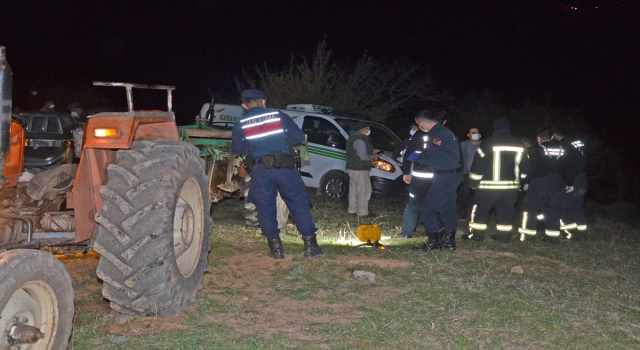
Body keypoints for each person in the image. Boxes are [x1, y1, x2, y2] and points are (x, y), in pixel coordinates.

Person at [231, 89, 323, 259]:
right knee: (298, 204)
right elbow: (297, 137)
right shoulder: (277, 115)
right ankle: (311, 246)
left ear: (244, 105)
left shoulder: (242, 123)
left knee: (265, 207)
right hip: (285, 169)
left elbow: (237, 149)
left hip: (260, 172)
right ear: (264, 102)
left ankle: (276, 249)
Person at [462, 118, 529, 243]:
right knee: (506, 212)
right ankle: (504, 237)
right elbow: (525, 168)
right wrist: (520, 182)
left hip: (488, 187)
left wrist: (473, 183)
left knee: (480, 211)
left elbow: (478, 164)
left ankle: (477, 236)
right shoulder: (519, 144)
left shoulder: (488, 143)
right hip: (510, 188)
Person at [412, 109, 462, 251]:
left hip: (445, 176)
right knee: (448, 209)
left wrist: (415, 157)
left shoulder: (437, 135)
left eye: (419, 125)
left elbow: (434, 158)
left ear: (422, 123)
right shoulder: (445, 132)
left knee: (427, 210)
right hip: (452, 176)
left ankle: (433, 242)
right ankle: (449, 242)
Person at [518, 129, 565, 243]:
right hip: (558, 184)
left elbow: (530, 168)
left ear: (539, 138)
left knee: (530, 209)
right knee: (552, 211)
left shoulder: (535, 150)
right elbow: (567, 167)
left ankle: (528, 237)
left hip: (540, 183)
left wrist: (523, 183)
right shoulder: (562, 149)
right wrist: (568, 182)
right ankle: (553, 238)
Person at [551, 124, 588, 241]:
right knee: (577, 209)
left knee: (566, 208)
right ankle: (581, 235)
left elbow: (567, 166)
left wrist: (569, 183)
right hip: (582, 178)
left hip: (573, 180)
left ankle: (569, 234)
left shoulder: (564, 145)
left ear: (556, 134)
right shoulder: (577, 142)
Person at [346, 122, 380, 217]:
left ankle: (352, 209)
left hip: (352, 167)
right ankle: (362, 212)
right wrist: (374, 157)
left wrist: (372, 151)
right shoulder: (360, 140)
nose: (369, 131)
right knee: (364, 190)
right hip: (359, 168)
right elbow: (363, 156)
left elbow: (357, 151)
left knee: (353, 189)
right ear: (363, 130)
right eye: (368, 128)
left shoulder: (353, 138)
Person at [456, 127, 482, 220]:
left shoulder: (484, 145)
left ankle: (479, 216)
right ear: (468, 135)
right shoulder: (462, 145)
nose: (476, 134)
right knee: (463, 194)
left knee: (480, 195)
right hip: (465, 173)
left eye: (477, 132)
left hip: (480, 174)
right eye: (473, 132)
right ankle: (462, 214)